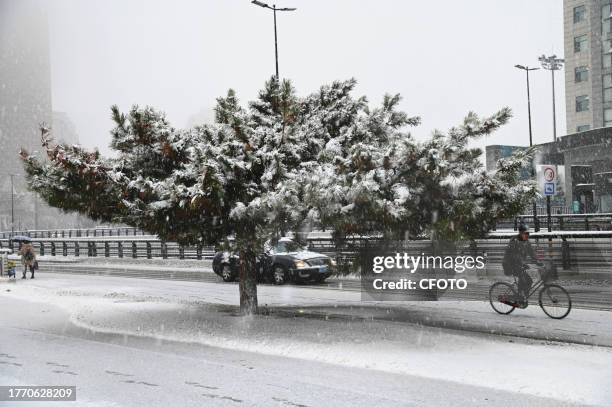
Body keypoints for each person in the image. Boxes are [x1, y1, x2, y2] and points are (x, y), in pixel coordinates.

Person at [502, 224, 538, 305]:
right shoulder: (514, 240)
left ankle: (522, 297)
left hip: (519, 265)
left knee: (529, 281)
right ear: (521, 233)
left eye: (528, 233)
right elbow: (513, 255)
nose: (527, 235)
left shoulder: (527, 242)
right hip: (509, 264)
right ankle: (520, 298)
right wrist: (522, 263)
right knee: (523, 279)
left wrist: (537, 261)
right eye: (526, 233)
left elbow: (531, 253)